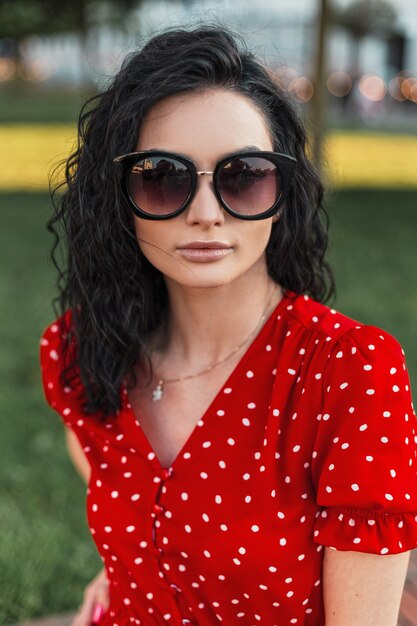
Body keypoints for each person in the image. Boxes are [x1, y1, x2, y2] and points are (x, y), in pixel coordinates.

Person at [39, 24, 417, 626]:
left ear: (283, 192)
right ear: (120, 195)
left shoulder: (350, 373)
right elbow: (108, 469)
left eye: (243, 175)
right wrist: (127, 561)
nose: (207, 213)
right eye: (163, 176)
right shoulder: (84, 346)